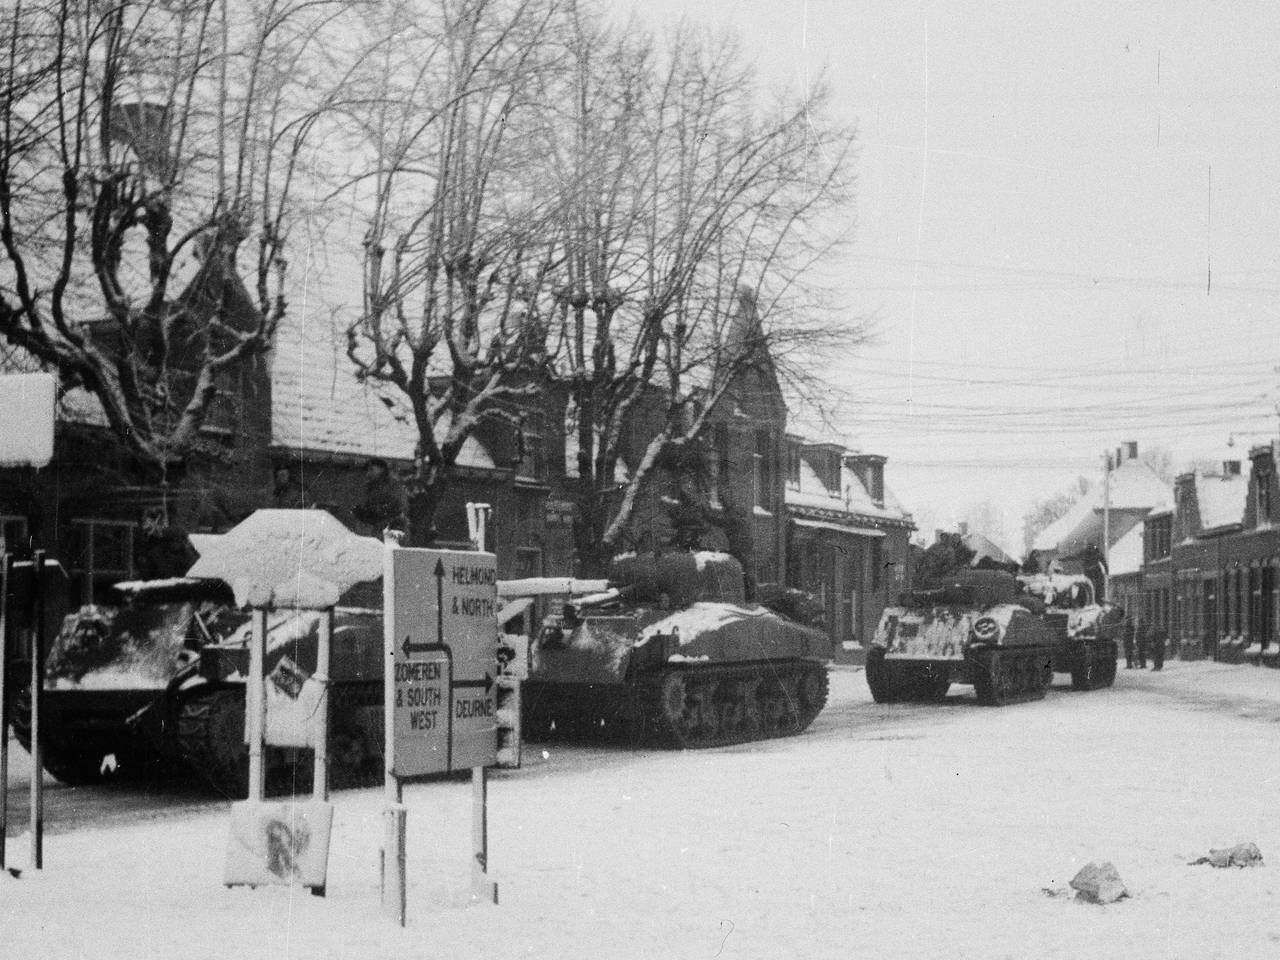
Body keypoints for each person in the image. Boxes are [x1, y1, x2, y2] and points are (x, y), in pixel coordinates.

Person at [352, 458, 407, 534]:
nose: (368, 474)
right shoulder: (371, 487)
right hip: (378, 529)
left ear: (381, 469)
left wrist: (373, 513)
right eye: (367, 470)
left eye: (371, 470)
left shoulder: (392, 485)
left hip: (393, 529)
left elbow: (397, 506)